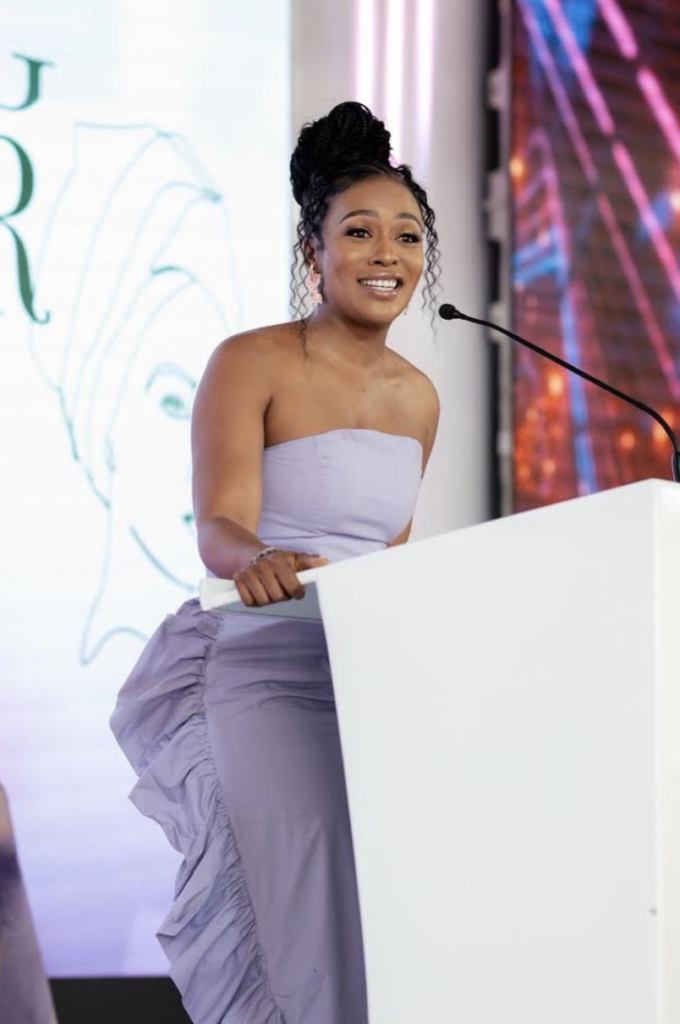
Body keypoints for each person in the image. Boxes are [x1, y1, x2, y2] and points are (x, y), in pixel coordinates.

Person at [111, 101, 441, 1024]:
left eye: (407, 235)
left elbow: (391, 555)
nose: (386, 252)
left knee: (379, 923)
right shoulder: (250, 360)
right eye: (360, 231)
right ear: (313, 252)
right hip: (262, 671)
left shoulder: (421, 399)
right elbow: (219, 521)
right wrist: (256, 558)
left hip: (369, 686)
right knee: (297, 925)